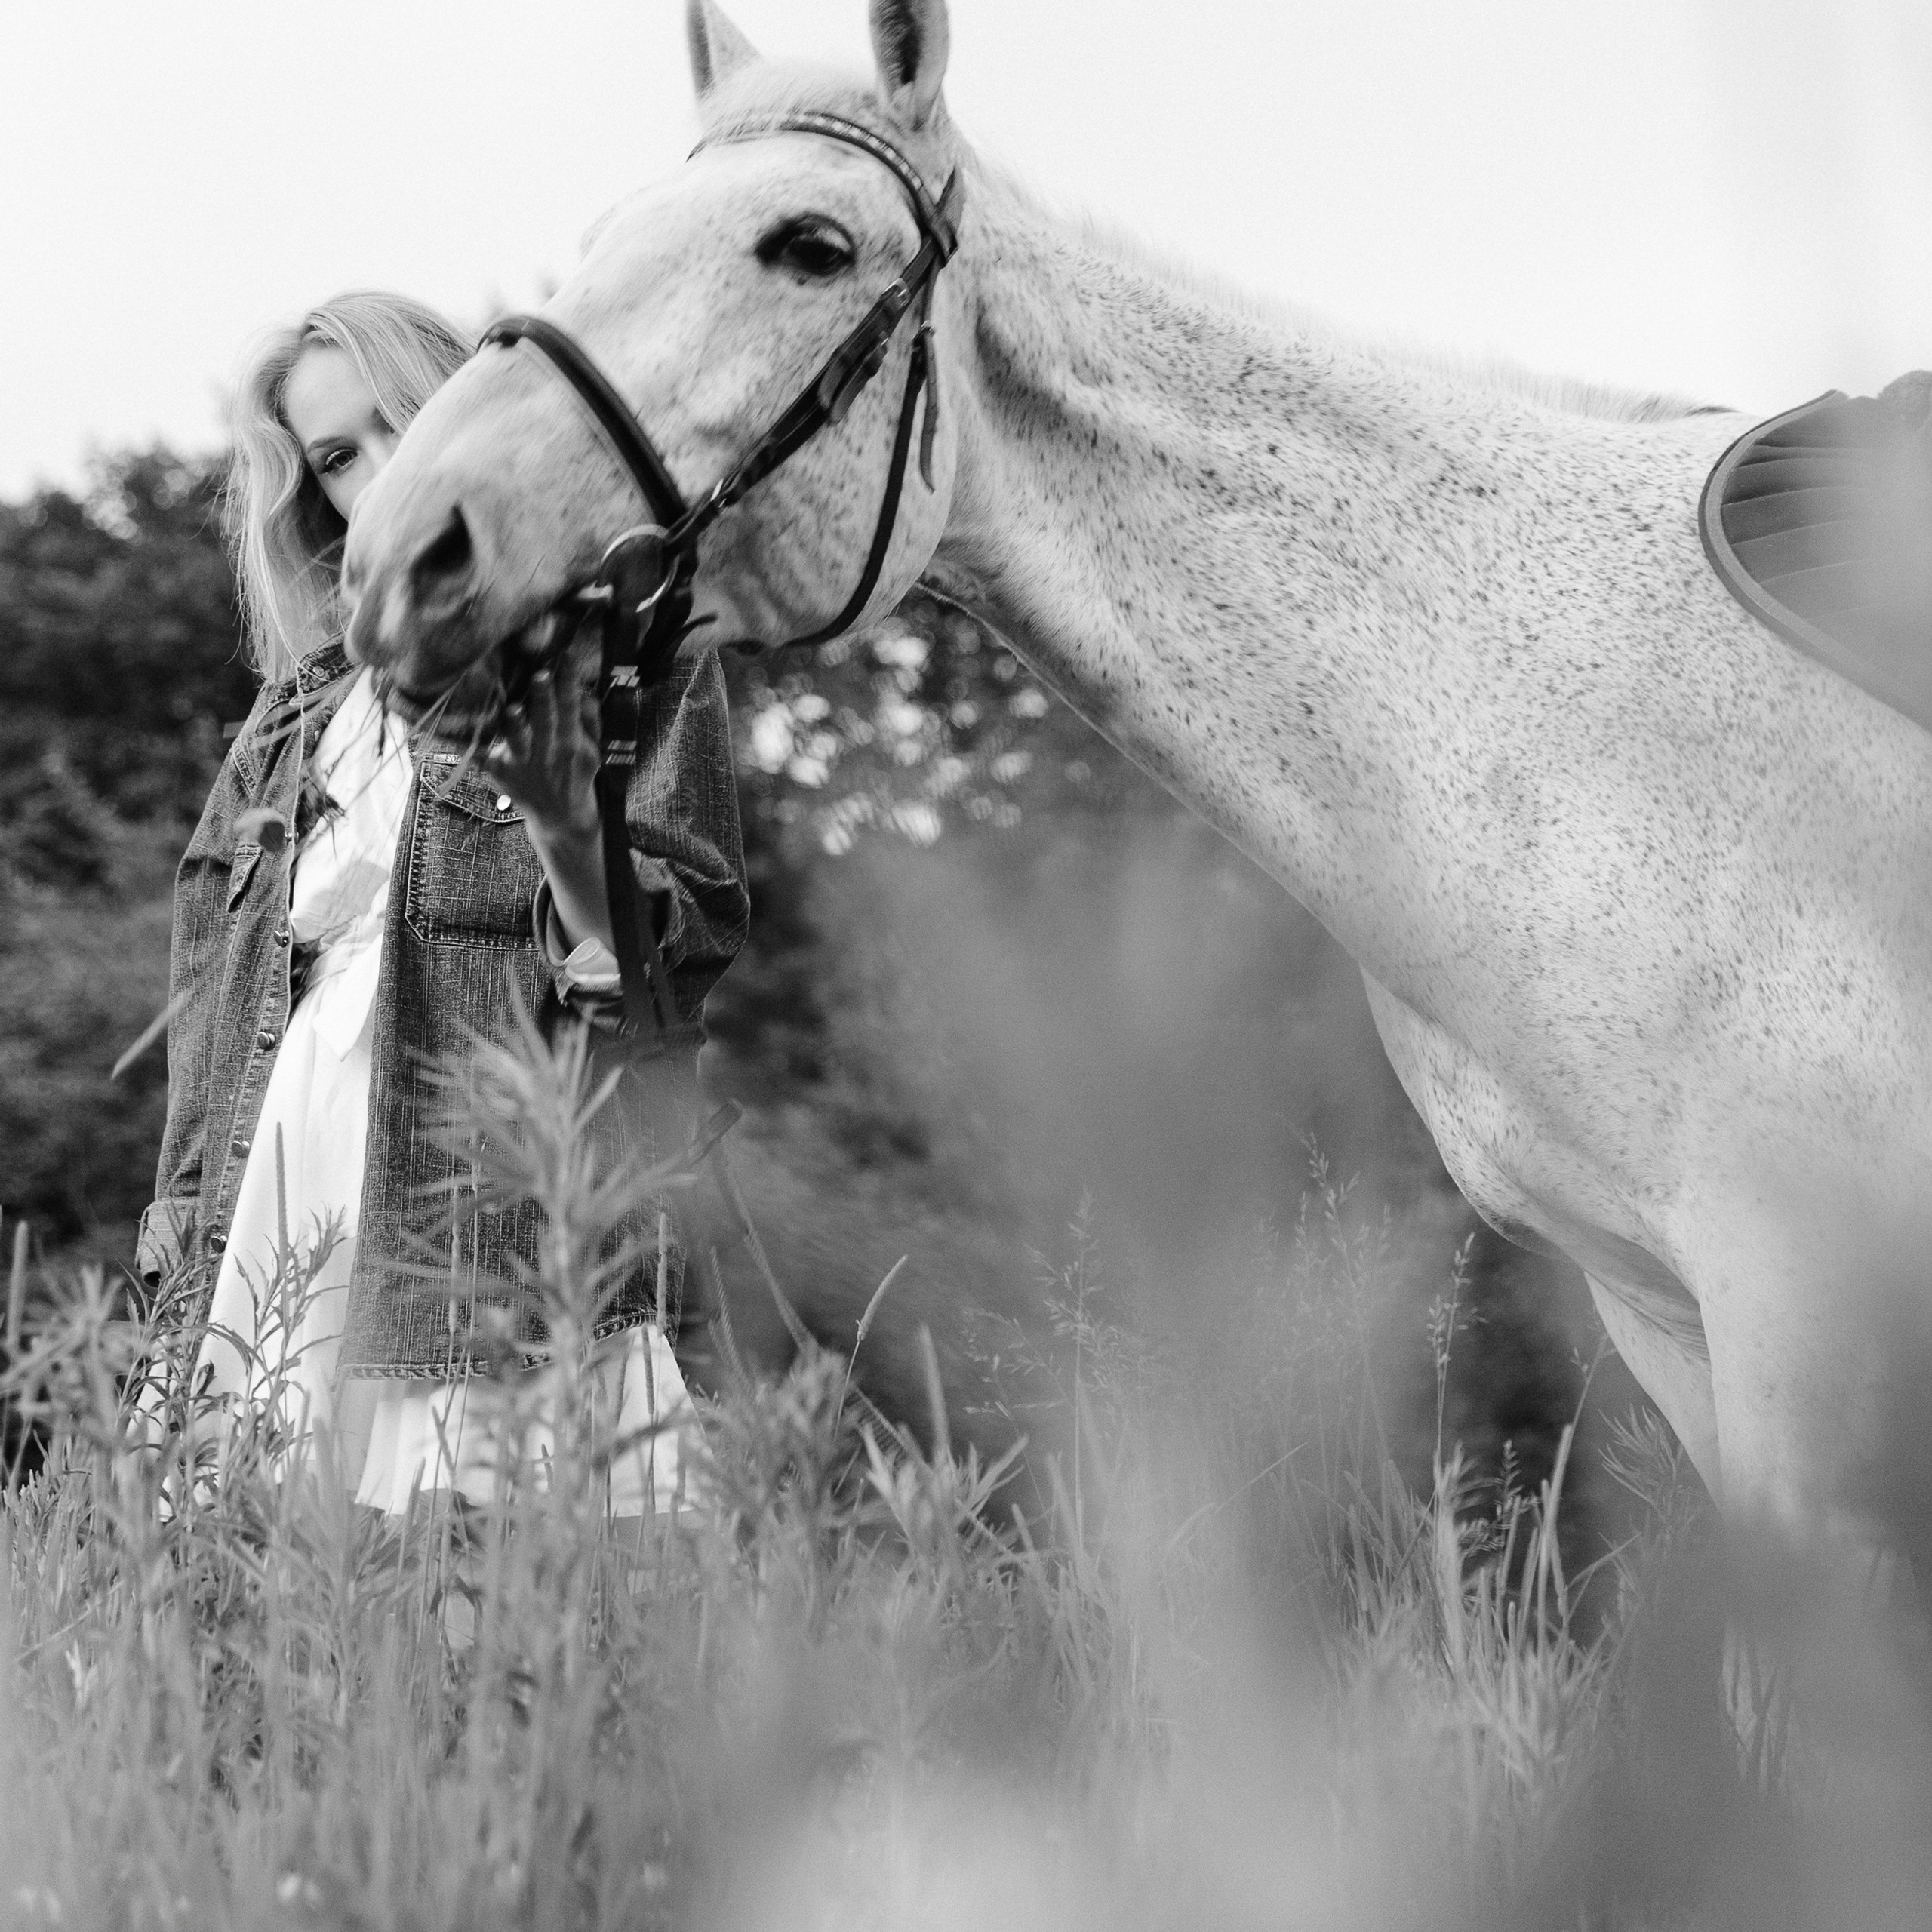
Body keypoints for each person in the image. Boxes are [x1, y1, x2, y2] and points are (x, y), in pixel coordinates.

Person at [136, 290, 749, 1513]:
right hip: (277, 1191)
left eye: (396, 422)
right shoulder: (296, 715)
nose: (381, 472)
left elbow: (653, 982)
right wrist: (178, 1226)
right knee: (257, 1617)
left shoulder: (634, 657)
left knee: (487, 1589)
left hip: (481, 1208)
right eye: (335, 460)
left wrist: (569, 824)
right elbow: (212, 999)